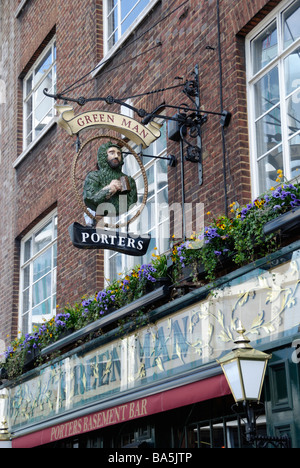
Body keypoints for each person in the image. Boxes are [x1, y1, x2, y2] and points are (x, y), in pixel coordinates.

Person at [83, 142, 137, 218]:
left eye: (119, 154)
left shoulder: (129, 180)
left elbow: (129, 204)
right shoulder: (94, 176)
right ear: (104, 155)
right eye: (112, 153)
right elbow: (90, 199)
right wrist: (109, 189)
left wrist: (123, 194)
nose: (116, 156)